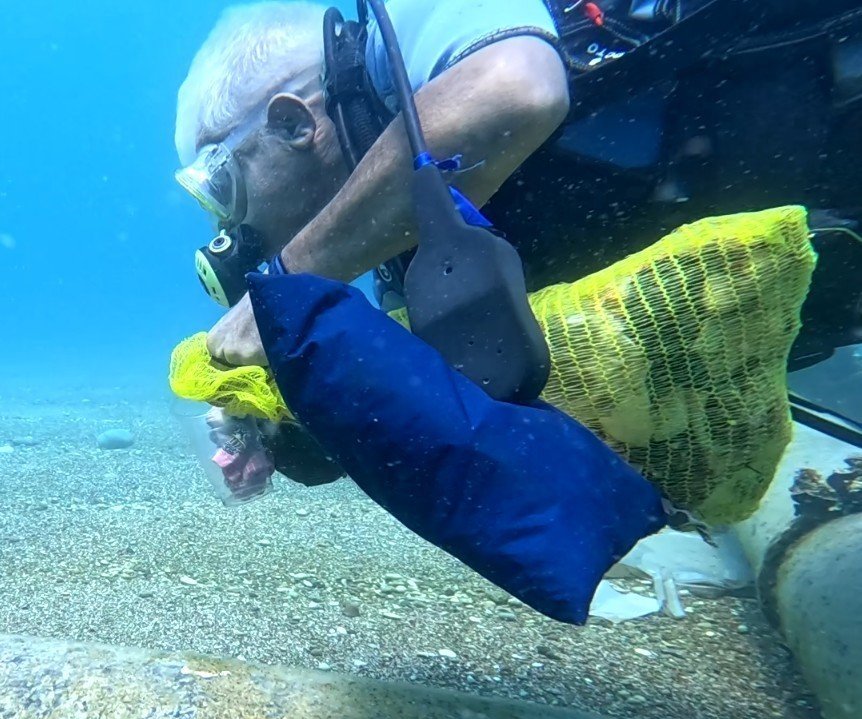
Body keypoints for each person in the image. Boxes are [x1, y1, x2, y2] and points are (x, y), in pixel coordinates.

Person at [175, 0, 862, 484]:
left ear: (295, 123)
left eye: (223, 185)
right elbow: (475, 411)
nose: (230, 235)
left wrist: (293, 273)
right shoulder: (412, 236)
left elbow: (515, 93)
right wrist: (284, 424)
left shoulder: (404, 32)